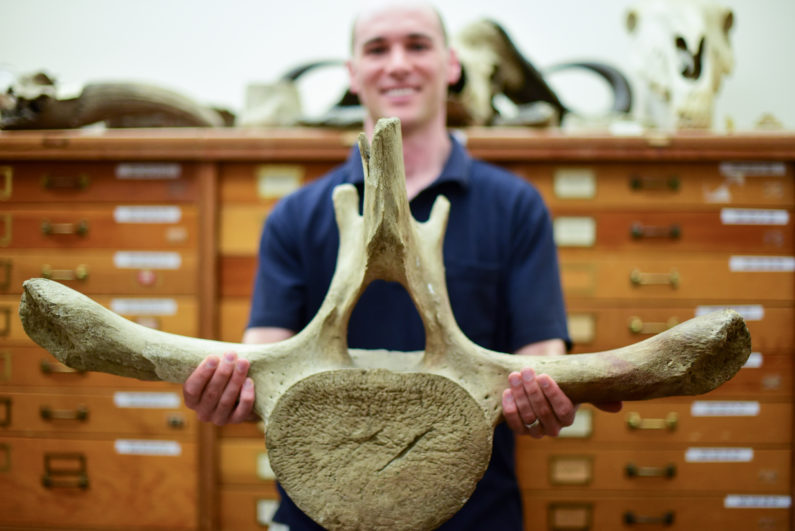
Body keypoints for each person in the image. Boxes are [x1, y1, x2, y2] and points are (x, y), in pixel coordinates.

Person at [183, 2, 620, 529]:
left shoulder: (516, 207)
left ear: (452, 64)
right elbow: (264, 360)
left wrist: (544, 397)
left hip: (474, 516)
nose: (397, 64)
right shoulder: (293, 216)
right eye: (376, 49)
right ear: (352, 73)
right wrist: (232, 392)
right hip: (315, 516)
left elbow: (540, 359)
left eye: (417, 45)